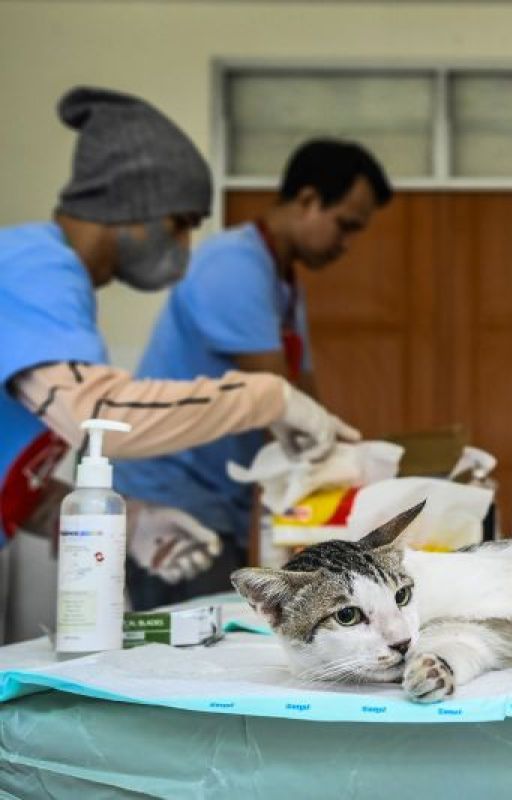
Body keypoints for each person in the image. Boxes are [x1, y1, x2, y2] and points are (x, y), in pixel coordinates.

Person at [0, 87, 358, 639]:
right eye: (181, 222)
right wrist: (268, 396)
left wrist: (132, 520)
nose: (188, 247)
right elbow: (103, 415)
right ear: (131, 207)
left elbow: (13, 477)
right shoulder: (35, 268)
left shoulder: (56, 284)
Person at [113, 138, 392, 609]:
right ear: (307, 201)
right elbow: (276, 399)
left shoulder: (281, 280)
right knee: (190, 652)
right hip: (174, 498)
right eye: (344, 226)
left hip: (220, 498)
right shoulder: (233, 266)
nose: (346, 245)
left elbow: (308, 404)